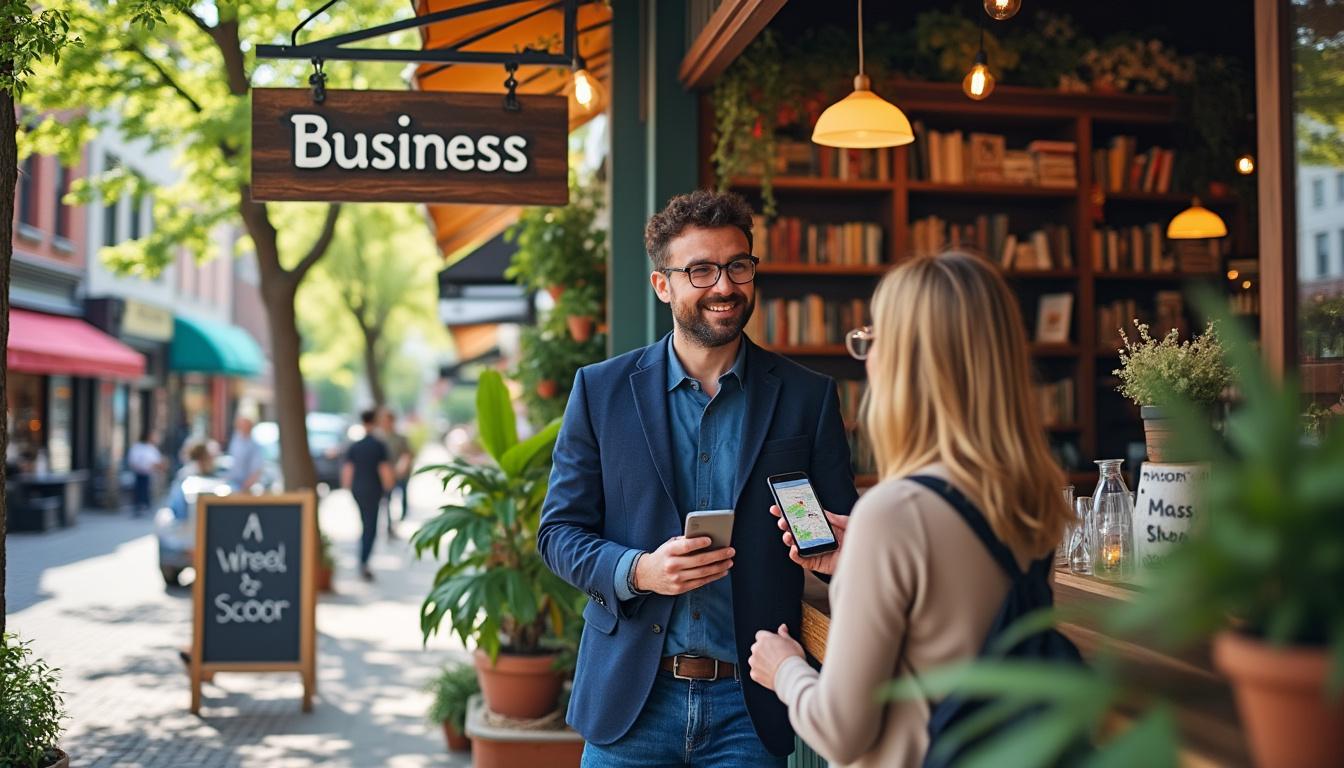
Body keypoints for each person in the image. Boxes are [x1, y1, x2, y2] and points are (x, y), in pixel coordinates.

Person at [538, 189, 859, 766]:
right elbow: (558, 533)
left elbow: (843, 541)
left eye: (738, 265)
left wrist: (841, 548)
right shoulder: (601, 391)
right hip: (631, 701)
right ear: (664, 285)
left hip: (751, 702)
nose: (724, 286)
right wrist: (639, 571)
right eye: (701, 270)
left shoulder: (809, 397)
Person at [745, 252, 1074, 767]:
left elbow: (841, 732)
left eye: (874, 339)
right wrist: (865, 557)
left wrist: (783, 667)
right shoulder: (1029, 494)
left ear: (907, 361)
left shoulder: (895, 513)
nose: (868, 356)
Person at [343, 408, 394, 581]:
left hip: (358, 490)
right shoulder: (379, 445)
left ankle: (363, 560)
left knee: (365, 525)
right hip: (373, 491)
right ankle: (364, 561)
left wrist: (348, 489)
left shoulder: (355, 446)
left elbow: (348, 471)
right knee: (370, 527)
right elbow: (384, 470)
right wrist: (389, 488)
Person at [376, 406, 413, 532]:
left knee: (403, 498)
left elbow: (407, 455)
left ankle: (400, 520)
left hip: (400, 474)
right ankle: (389, 526)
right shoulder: (378, 438)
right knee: (387, 500)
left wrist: (401, 468)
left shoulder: (400, 438)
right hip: (386, 475)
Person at [127, 430, 165, 516]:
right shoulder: (142, 447)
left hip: (145, 472)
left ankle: (143, 505)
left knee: (144, 489)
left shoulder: (147, 448)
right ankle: (139, 506)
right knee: (140, 489)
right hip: (140, 472)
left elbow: (156, 461)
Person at [225, 412, 264, 492]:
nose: (241, 427)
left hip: (246, 487)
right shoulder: (236, 440)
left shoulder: (254, 445)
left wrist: (245, 487)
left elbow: (257, 470)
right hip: (233, 483)